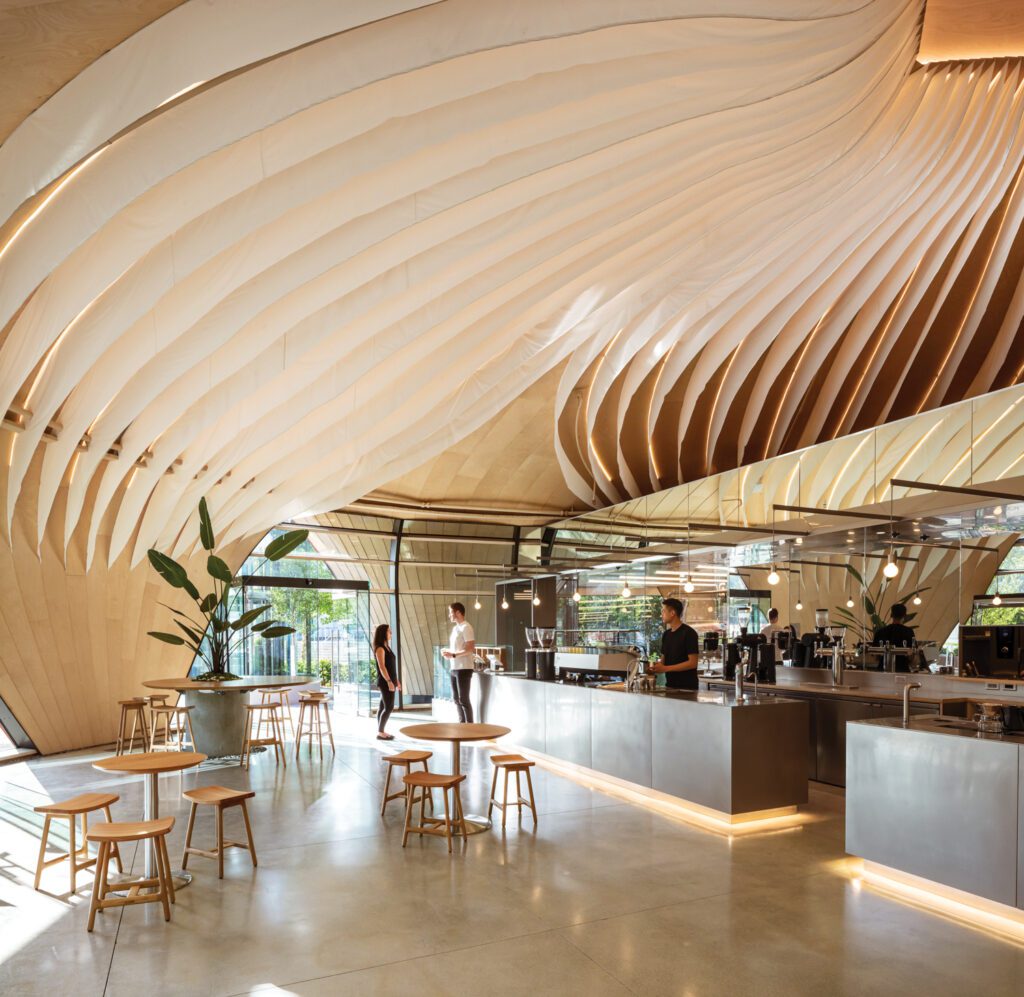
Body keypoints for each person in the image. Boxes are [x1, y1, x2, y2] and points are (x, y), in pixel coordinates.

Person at [648, 598, 700, 690]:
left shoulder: (689, 633)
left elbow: (693, 663)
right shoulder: (666, 634)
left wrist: (666, 668)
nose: (661, 615)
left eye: (663, 611)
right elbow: (663, 662)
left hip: (687, 688)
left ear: (672, 613)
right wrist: (654, 667)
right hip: (670, 686)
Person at [441, 602, 476, 722]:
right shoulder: (455, 628)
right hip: (454, 667)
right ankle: (462, 723)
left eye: (451, 612)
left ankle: (469, 726)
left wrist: (454, 654)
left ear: (458, 613)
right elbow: (457, 648)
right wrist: (448, 652)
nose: (449, 615)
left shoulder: (466, 627)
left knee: (463, 699)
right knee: (456, 698)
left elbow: (470, 648)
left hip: (464, 668)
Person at [373, 623, 400, 740]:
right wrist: (389, 681)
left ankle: (380, 730)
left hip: (390, 681)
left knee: (383, 705)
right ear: (383, 633)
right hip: (385, 682)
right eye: (389, 631)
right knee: (389, 707)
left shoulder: (387, 647)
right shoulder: (380, 648)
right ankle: (380, 732)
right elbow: (382, 667)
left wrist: (396, 681)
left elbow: (391, 666)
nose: (391, 633)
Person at [873, 603, 916, 672]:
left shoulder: (880, 632)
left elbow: (876, 656)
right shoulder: (909, 632)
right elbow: (911, 655)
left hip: (883, 670)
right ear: (904, 616)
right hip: (902, 669)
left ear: (891, 615)